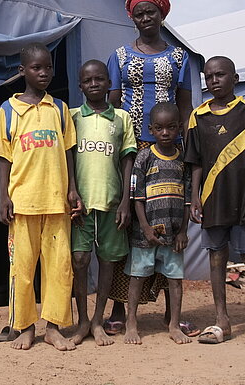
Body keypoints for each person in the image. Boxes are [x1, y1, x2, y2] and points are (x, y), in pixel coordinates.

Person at [105, 0, 199, 338]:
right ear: (132, 16)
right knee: (127, 223)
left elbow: (186, 106)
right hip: (130, 148)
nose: (146, 18)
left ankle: (170, 314)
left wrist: (187, 149)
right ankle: (118, 307)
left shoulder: (178, 57)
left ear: (162, 15)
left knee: (168, 221)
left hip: (167, 149)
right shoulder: (119, 55)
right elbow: (113, 102)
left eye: (152, 12)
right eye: (139, 13)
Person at [0, 42, 80, 351]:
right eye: (36, 67)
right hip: (23, 202)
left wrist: (72, 189)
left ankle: (53, 328)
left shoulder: (60, 108)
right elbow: (4, 157)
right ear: (22, 71)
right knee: (22, 270)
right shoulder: (8, 110)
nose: (44, 73)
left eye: (48, 67)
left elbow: (68, 152)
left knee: (58, 269)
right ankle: (25, 327)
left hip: (57, 202)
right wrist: (4, 197)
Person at [186, 56, 245, 344]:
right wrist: (194, 196)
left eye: (220, 74)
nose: (214, 80)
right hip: (211, 198)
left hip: (244, 196)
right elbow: (195, 162)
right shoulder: (198, 116)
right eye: (209, 76)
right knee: (216, 258)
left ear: (235, 78)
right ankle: (222, 322)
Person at [69, 60, 137, 346]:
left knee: (107, 262)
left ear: (110, 84)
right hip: (80, 206)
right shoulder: (71, 117)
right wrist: (72, 191)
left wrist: (126, 202)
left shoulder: (121, 118)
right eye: (88, 80)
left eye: (100, 79)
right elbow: (68, 157)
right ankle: (82, 320)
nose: (94, 84)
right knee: (80, 260)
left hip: (111, 203)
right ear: (80, 85)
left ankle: (98, 320)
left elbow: (128, 161)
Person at [124, 102, 191, 345]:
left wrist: (184, 230)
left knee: (175, 279)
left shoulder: (183, 158)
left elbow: (186, 199)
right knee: (137, 276)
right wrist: (144, 227)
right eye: (160, 128)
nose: (165, 133)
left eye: (171, 128)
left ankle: (174, 324)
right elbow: (137, 197)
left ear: (179, 128)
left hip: (173, 235)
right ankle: (131, 322)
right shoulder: (144, 156)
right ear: (151, 129)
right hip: (146, 233)